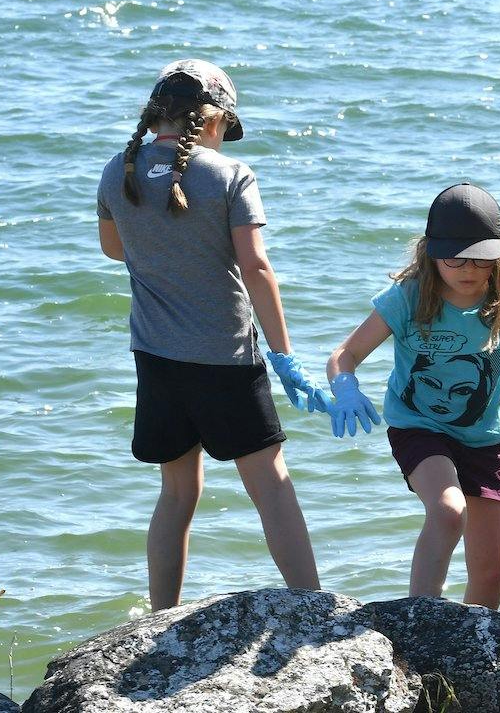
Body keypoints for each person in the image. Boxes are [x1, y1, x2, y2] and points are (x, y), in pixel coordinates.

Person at [96, 59, 327, 610]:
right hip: (225, 359)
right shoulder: (229, 176)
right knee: (271, 485)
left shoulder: (116, 170)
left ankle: (161, 615)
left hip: (155, 358)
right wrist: (285, 355)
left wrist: (166, 248)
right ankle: (313, 606)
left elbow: (113, 249)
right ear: (215, 118)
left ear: (157, 115)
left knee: (178, 492)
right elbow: (257, 268)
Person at [322, 183, 500, 609]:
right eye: (454, 257)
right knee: (448, 511)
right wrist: (344, 386)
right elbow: (346, 353)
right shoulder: (409, 297)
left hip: (483, 438)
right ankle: (419, 621)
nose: (467, 269)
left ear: (499, 255)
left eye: (481, 258)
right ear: (431, 252)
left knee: (491, 573)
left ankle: (466, 654)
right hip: (419, 428)